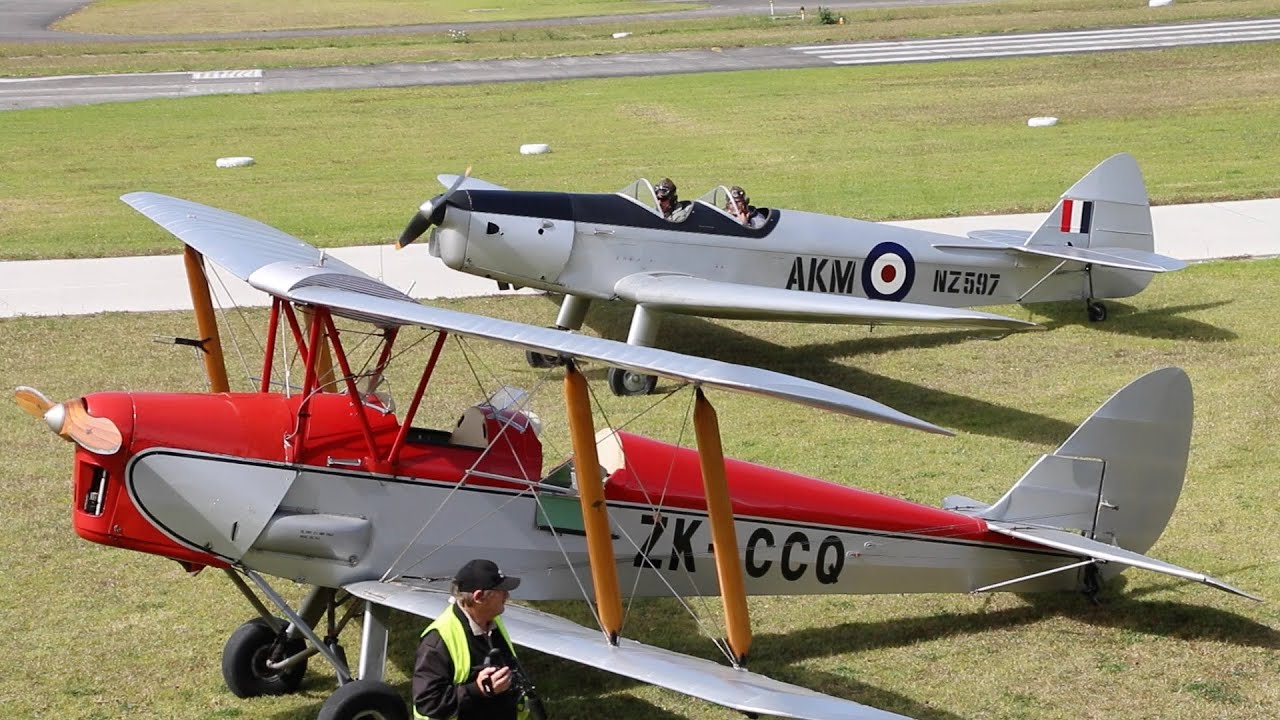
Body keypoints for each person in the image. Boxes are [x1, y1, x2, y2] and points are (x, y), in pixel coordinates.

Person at [413, 559, 530, 720]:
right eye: (501, 591)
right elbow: (428, 703)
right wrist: (477, 689)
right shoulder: (437, 642)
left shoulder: (493, 621)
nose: (507, 596)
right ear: (479, 597)